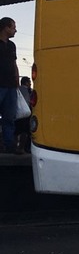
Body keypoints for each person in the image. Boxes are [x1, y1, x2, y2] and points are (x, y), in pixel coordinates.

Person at [0, 16, 19, 154]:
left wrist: (17, 80)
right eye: (13, 27)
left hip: (11, 86)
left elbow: (14, 63)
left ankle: (9, 145)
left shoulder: (12, 45)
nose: (15, 30)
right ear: (6, 28)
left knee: (9, 117)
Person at [14, 76, 32, 154]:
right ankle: (22, 148)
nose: (30, 84)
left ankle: (14, 148)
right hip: (27, 113)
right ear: (26, 83)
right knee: (25, 131)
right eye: (29, 82)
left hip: (17, 113)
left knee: (16, 131)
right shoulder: (29, 91)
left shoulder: (17, 90)